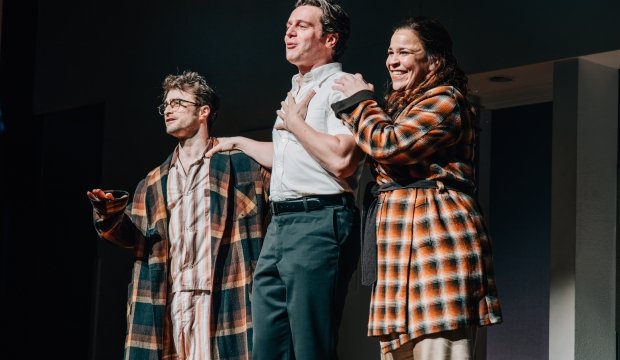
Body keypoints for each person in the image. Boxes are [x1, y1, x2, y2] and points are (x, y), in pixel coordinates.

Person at [281, 16, 503, 360]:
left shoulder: (447, 100)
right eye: (390, 52)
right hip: (398, 254)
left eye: (404, 52)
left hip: (436, 250)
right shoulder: (399, 106)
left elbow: (390, 145)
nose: (393, 61)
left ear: (434, 60)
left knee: (437, 349)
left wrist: (360, 102)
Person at [207, 1, 364, 359]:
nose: (289, 32)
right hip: (280, 223)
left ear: (330, 39)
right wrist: (238, 142)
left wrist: (294, 122)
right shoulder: (297, 89)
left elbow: (342, 159)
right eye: (288, 25)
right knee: (268, 346)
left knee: (310, 346)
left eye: (303, 26)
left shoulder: (340, 87)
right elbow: (290, 161)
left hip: (319, 220)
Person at [87, 71, 270, 360]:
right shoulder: (153, 181)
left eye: (178, 103)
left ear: (203, 112)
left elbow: (283, 183)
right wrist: (108, 212)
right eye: (166, 105)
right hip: (168, 295)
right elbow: (132, 238)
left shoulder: (240, 167)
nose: (168, 110)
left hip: (222, 293)